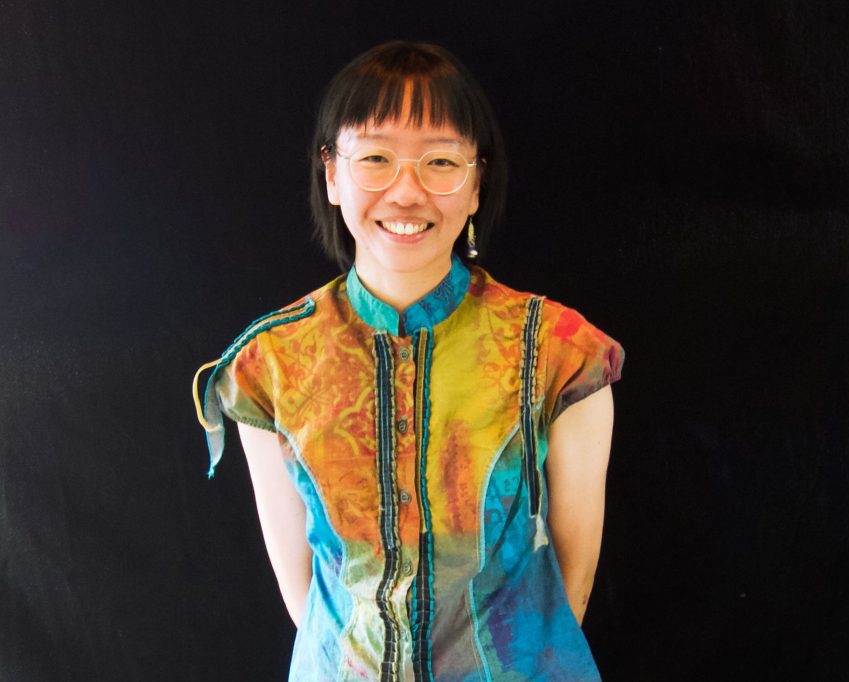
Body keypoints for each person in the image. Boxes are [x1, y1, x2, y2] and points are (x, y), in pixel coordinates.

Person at [193, 40, 624, 681]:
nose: (406, 191)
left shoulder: (559, 352)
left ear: (476, 184)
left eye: (440, 161)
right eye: (375, 158)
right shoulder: (269, 362)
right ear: (331, 175)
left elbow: (572, 584)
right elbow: (305, 595)